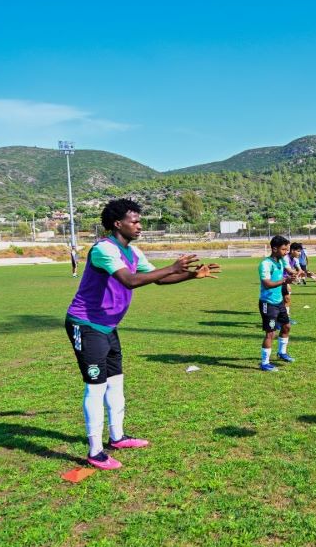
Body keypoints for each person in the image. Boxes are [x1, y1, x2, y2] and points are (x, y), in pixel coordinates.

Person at [65, 198, 219, 470]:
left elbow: (158, 278)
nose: (139, 226)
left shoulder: (133, 253)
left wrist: (191, 276)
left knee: (115, 382)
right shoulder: (104, 249)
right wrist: (172, 267)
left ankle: (117, 437)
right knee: (96, 387)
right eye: (134, 221)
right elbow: (130, 281)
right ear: (117, 224)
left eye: (139, 220)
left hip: (108, 327)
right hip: (86, 324)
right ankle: (95, 451)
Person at [259, 235, 297, 371]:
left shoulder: (281, 261)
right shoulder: (265, 264)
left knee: (286, 326)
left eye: (287, 249)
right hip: (267, 303)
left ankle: (282, 353)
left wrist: (302, 273)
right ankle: (264, 363)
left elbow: (290, 271)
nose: (286, 252)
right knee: (270, 333)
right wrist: (284, 281)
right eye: (284, 249)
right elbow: (267, 284)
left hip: (279, 301)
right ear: (274, 249)